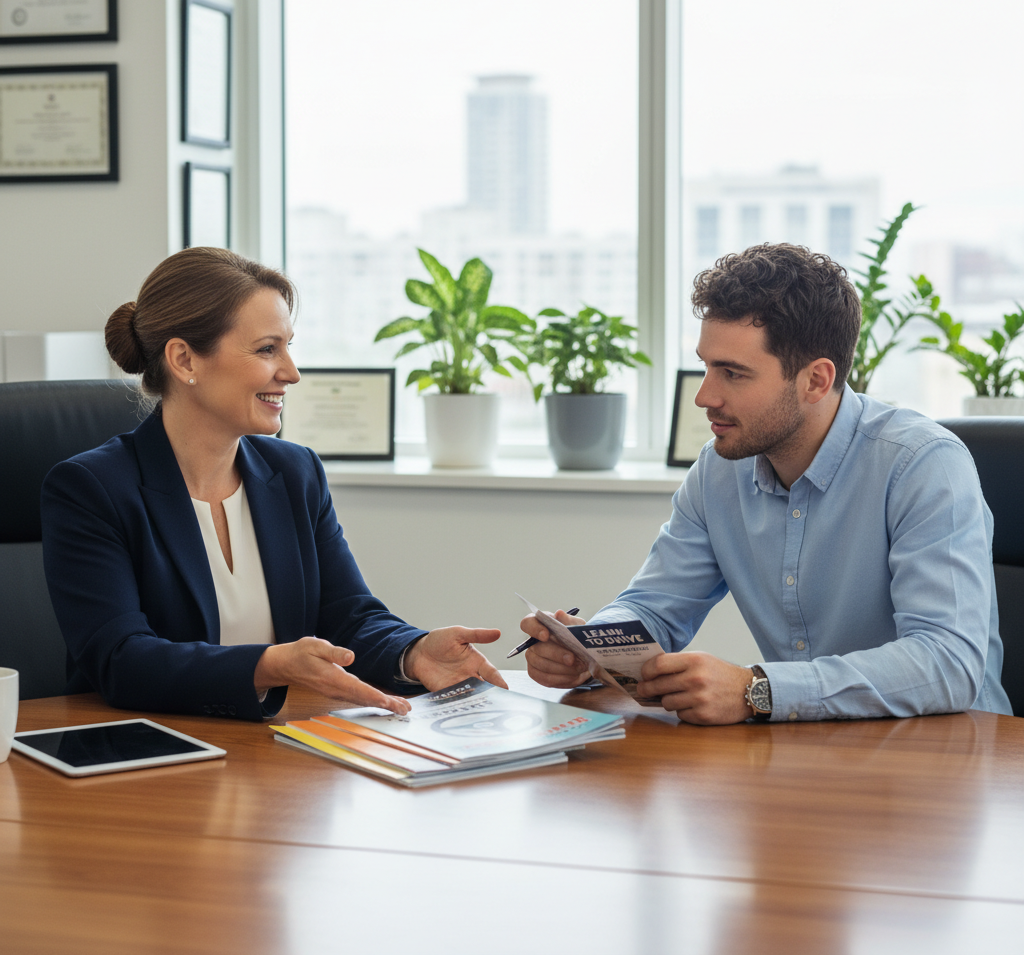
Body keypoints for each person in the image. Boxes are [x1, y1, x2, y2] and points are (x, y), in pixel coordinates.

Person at [522, 243, 1012, 723]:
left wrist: (758, 688)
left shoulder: (923, 466)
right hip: (806, 754)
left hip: (949, 760)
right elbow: (654, 608)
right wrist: (590, 648)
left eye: (733, 373)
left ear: (816, 381)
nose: (704, 396)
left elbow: (948, 663)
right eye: (707, 366)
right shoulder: (718, 470)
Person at [41, 247, 506, 721]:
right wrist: (268, 664)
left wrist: (413, 653)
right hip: (143, 756)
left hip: (267, 749)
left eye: (288, 346)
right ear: (184, 360)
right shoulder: (90, 489)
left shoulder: (295, 472)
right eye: (267, 349)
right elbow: (121, 660)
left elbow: (349, 615)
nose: (291, 372)